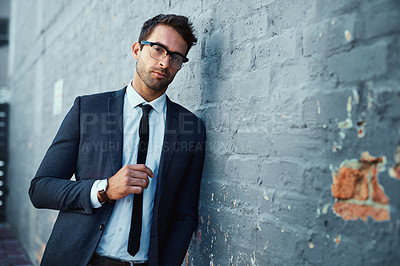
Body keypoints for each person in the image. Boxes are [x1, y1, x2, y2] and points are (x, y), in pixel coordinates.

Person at [29, 14, 206, 266]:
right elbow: (40, 189)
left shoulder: (192, 128)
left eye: (176, 57)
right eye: (158, 49)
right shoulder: (88, 110)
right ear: (137, 49)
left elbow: (185, 214)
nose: (165, 62)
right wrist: (104, 190)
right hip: (80, 259)